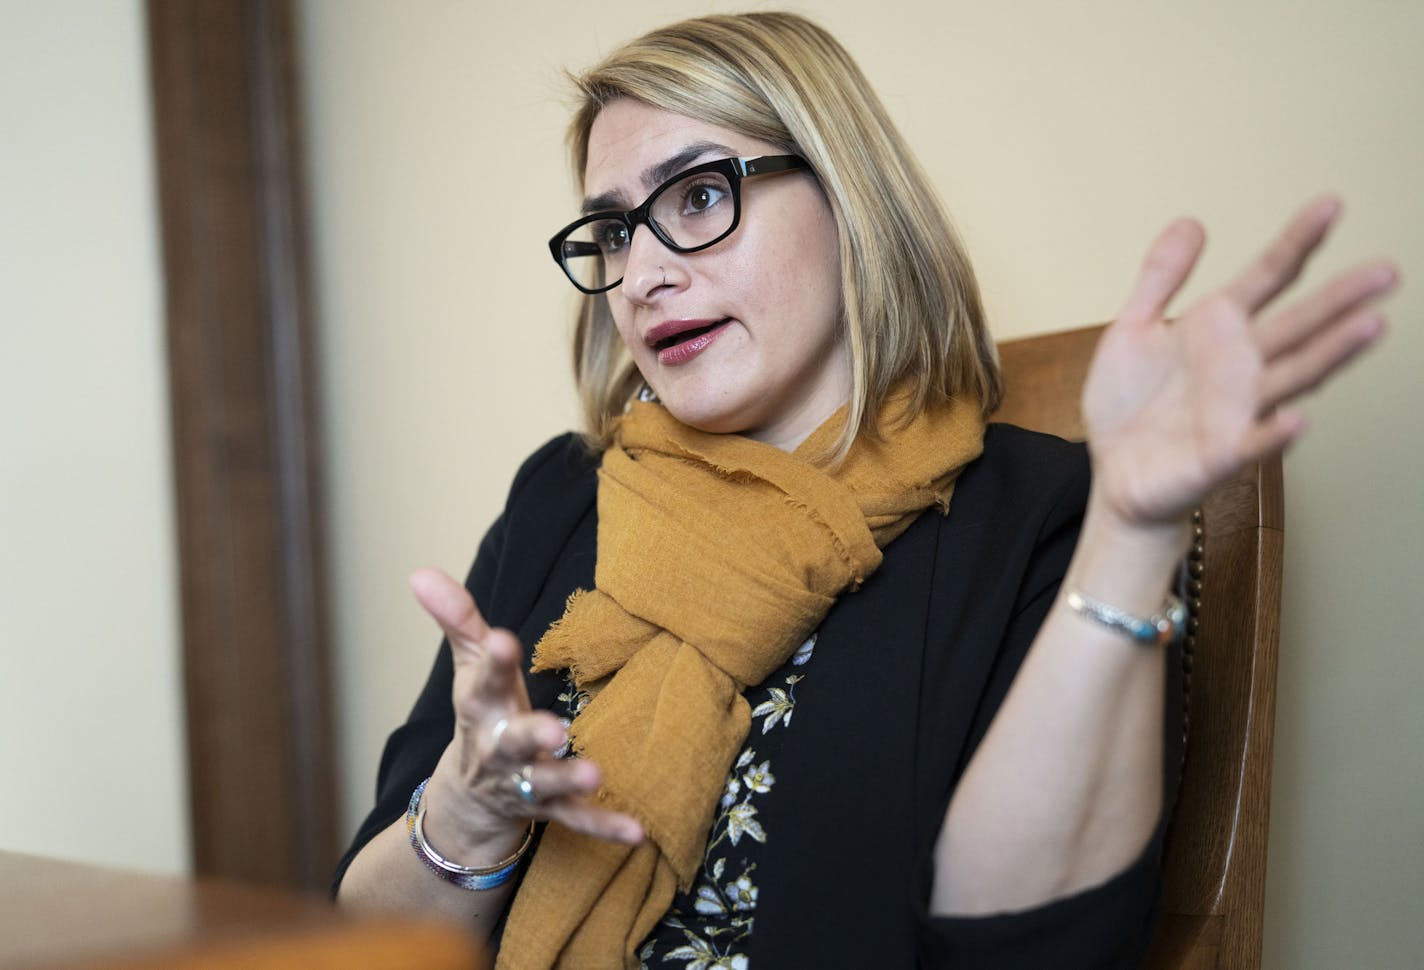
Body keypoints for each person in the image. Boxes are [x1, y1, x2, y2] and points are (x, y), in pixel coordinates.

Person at [332, 11, 1395, 969]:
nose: (646, 271)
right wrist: (464, 817)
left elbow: (1026, 944)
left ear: (849, 197)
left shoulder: (1034, 511)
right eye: (613, 231)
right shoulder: (564, 498)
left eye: (698, 195)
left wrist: (1132, 528)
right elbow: (371, 939)